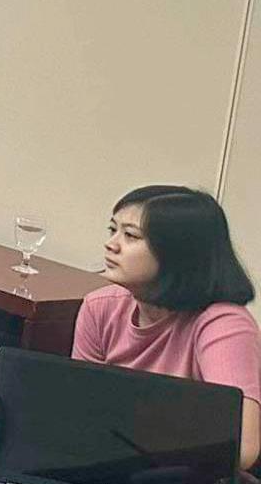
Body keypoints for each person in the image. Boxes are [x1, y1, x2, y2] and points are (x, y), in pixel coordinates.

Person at [75, 186, 261, 469]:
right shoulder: (100, 306)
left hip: (184, 475)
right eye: (112, 230)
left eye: (131, 236)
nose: (111, 245)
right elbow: (80, 410)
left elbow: (241, 448)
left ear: (177, 253)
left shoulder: (224, 324)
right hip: (108, 465)